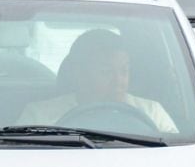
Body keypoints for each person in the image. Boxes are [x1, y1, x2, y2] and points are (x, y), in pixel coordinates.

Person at [21, 28, 177, 134]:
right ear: (79, 74)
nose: (119, 81)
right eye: (106, 72)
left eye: (124, 71)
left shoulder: (152, 112)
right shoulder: (39, 117)